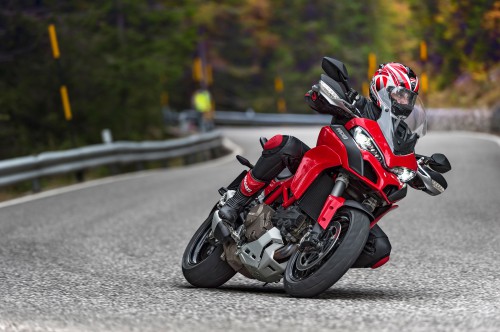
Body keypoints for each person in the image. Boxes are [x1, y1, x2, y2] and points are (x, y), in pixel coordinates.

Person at [216, 62, 421, 268]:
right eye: (400, 94)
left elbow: (406, 156)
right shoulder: (357, 104)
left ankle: (320, 260)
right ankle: (235, 204)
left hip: (363, 184)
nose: (404, 102)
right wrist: (324, 96)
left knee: (379, 248)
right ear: (381, 87)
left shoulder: (402, 135)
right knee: (284, 145)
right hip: (326, 165)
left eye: (409, 98)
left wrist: (421, 168)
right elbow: (313, 98)